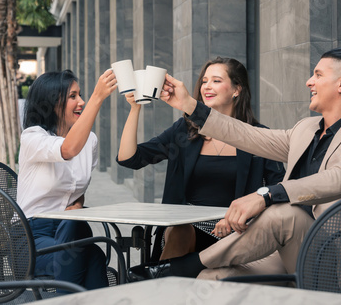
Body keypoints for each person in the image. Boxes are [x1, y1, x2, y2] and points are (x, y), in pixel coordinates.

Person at [127, 47, 341, 283]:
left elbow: (338, 179)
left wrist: (266, 195)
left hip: (339, 261)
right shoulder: (305, 129)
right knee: (212, 277)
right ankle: (184, 269)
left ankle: (180, 267)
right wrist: (189, 105)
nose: (308, 81)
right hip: (289, 249)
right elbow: (250, 135)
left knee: (283, 213)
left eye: (318, 75)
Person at [117, 57, 285, 261]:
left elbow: (279, 188)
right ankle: (162, 282)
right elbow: (130, 159)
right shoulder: (184, 131)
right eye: (204, 81)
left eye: (216, 80)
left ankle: (160, 282)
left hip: (238, 230)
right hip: (187, 228)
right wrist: (135, 108)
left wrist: (242, 216)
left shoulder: (258, 136)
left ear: (236, 89)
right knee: (181, 231)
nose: (206, 86)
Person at [17, 69, 117, 292]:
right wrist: (97, 97)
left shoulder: (89, 141)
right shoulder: (33, 137)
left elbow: (77, 190)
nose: (81, 101)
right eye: (73, 96)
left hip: (68, 230)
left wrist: (78, 205)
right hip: (32, 236)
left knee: (83, 242)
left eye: (81, 95)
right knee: (90, 256)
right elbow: (67, 149)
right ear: (52, 102)